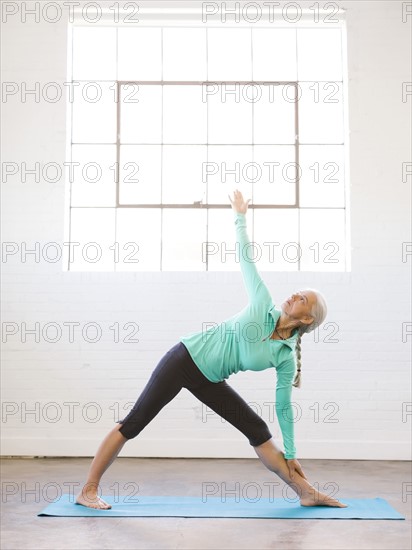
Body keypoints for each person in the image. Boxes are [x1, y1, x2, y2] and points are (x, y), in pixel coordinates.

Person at [75, 189, 347, 510]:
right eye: (297, 292)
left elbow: (283, 407)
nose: (294, 296)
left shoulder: (285, 356)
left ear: (305, 318)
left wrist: (291, 451)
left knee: (258, 430)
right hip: (184, 359)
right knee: (134, 422)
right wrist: (239, 217)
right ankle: (88, 490)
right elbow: (246, 257)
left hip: (210, 378)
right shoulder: (263, 305)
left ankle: (306, 492)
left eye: (302, 299)